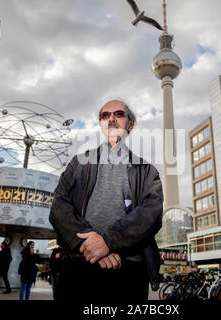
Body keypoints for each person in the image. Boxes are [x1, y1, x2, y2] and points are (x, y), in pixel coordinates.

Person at [49, 99, 163, 303]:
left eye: (119, 114)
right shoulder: (79, 163)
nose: (111, 118)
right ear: (101, 124)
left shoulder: (146, 170)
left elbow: (151, 214)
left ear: (130, 124)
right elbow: (58, 207)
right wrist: (94, 247)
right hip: (78, 265)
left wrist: (108, 242)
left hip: (127, 270)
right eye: (105, 115)